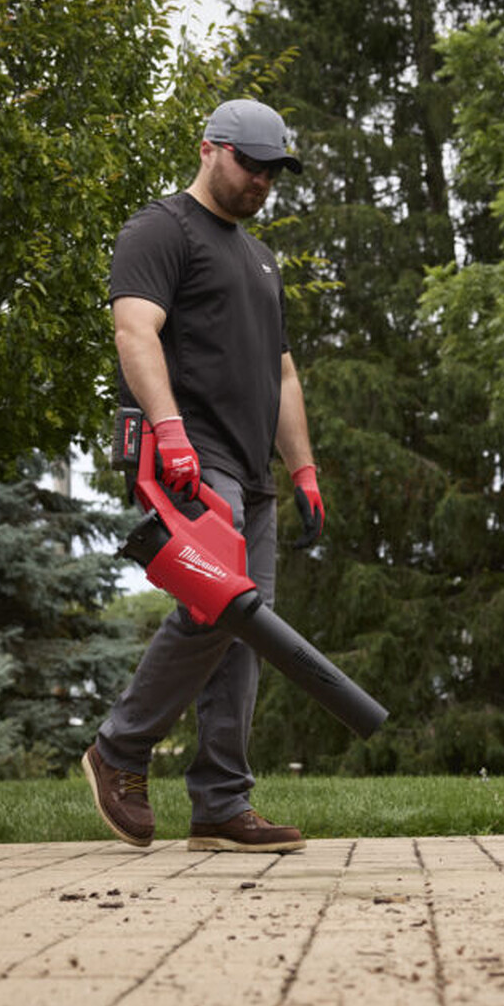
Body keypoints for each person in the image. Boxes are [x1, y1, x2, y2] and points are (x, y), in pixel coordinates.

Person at [82, 99, 324, 853]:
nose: (261, 182)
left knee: (244, 632)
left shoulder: (258, 258)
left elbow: (282, 372)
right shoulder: (162, 228)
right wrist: (169, 427)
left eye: (273, 171)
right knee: (220, 607)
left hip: (251, 471)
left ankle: (221, 802)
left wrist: (303, 466)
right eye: (250, 164)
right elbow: (134, 328)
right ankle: (119, 749)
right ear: (209, 149)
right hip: (190, 455)